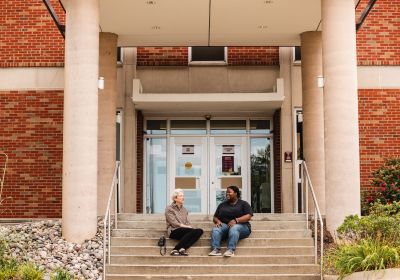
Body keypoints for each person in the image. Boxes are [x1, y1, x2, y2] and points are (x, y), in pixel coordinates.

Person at [209, 185, 253, 257]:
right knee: (216, 229)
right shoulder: (222, 205)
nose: (227, 194)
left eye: (229, 192)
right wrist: (217, 221)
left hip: (242, 226)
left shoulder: (243, 204)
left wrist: (236, 220)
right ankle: (216, 249)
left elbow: (249, 216)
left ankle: (230, 250)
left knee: (234, 228)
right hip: (226, 226)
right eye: (226, 192)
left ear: (236, 193)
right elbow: (215, 217)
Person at [165, 189, 204, 256]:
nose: (183, 197)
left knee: (199, 231)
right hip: (174, 230)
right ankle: (175, 249)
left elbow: (187, 222)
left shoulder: (184, 210)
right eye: (180, 196)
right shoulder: (169, 208)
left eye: (183, 196)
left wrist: (189, 227)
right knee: (191, 231)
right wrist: (186, 226)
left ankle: (182, 248)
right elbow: (173, 223)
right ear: (175, 198)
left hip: (184, 230)